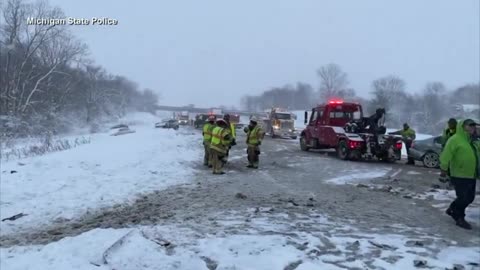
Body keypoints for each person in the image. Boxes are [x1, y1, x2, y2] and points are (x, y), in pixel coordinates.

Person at [440, 119, 478, 230]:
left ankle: (452, 208)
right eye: (469, 125)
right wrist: (444, 168)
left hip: (471, 174)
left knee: (470, 198)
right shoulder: (455, 139)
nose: (472, 128)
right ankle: (459, 217)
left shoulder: (472, 141)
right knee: (463, 197)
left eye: (473, 126)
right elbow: (446, 154)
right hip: (459, 174)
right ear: (462, 126)